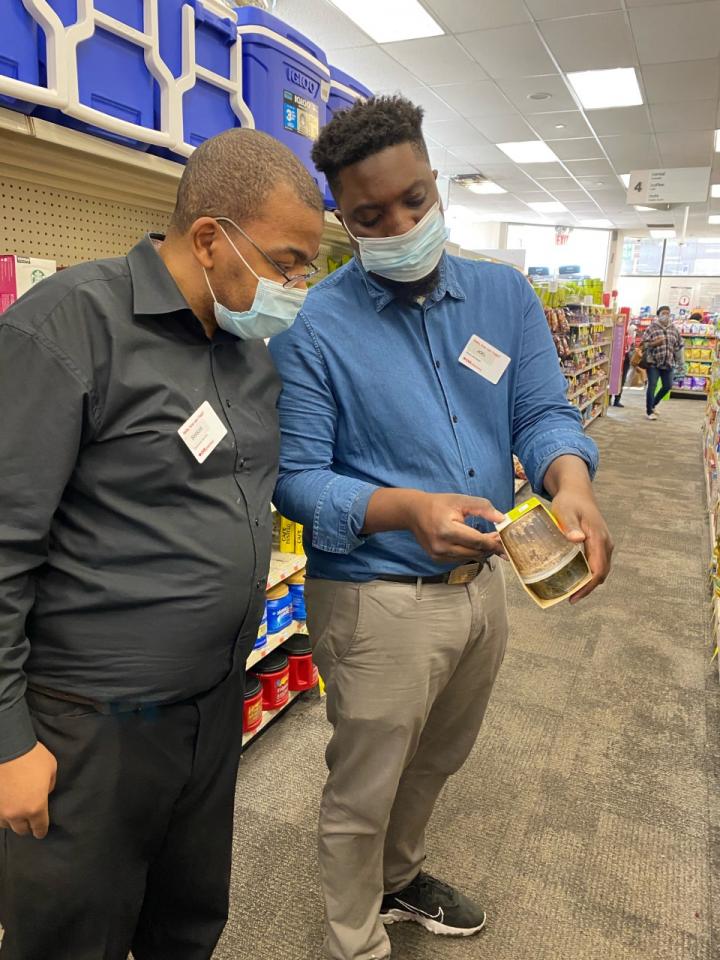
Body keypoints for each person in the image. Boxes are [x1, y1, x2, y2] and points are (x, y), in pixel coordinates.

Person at [269, 96, 614, 960]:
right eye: (372, 215)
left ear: (437, 182)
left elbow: (541, 414)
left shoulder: (503, 294)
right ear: (342, 221)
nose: (401, 224)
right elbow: (298, 480)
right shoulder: (313, 326)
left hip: (485, 586)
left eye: (416, 200)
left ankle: (398, 879)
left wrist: (570, 480)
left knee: (437, 760)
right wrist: (403, 509)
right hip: (375, 597)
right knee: (364, 782)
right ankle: (354, 938)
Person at [0, 128, 324, 960]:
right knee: (75, 937)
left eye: (307, 269)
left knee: (186, 923)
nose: (297, 286)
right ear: (211, 237)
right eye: (287, 262)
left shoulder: (249, 350)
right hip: (89, 727)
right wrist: (5, 741)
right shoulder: (70, 322)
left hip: (209, 710)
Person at [642, 305, 683, 421]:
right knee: (652, 386)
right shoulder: (652, 328)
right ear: (658, 315)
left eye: (667, 313)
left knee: (668, 386)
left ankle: (653, 404)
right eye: (663, 313)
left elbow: (678, 346)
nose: (665, 315)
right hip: (653, 362)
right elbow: (643, 344)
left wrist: (681, 364)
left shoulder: (674, 329)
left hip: (669, 362)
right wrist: (654, 343)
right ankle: (649, 411)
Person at [611, 319, 636, 408]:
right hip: (616, 359)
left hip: (625, 360)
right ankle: (610, 398)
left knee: (622, 380)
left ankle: (617, 399)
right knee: (613, 379)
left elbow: (632, 351)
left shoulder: (631, 339)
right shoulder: (618, 333)